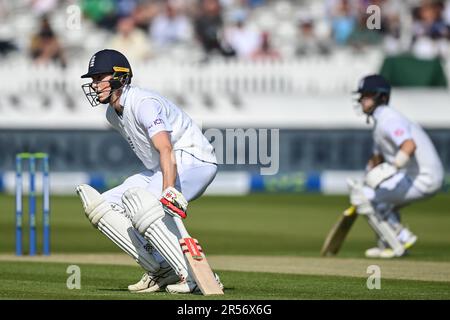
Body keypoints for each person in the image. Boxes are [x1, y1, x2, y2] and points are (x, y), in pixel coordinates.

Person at [77, 49, 221, 293]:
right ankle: (160, 270)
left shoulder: (144, 104)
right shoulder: (112, 114)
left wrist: (168, 190)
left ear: (120, 77)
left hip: (193, 159)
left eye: (99, 78)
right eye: (93, 80)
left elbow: (166, 148)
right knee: (103, 206)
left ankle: (193, 275)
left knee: (146, 207)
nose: (94, 85)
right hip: (162, 167)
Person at [348, 74, 444, 258]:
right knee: (371, 196)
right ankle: (387, 244)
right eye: (361, 95)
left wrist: (392, 168)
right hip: (415, 175)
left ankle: (401, 237)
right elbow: (377, 158)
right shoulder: (380, 122)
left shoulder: (388, 118)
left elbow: (409, 145)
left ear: (381, 97)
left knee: (368, 198)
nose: (361, 100)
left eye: (366, 95)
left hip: (423, 177)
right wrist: (365, 180)